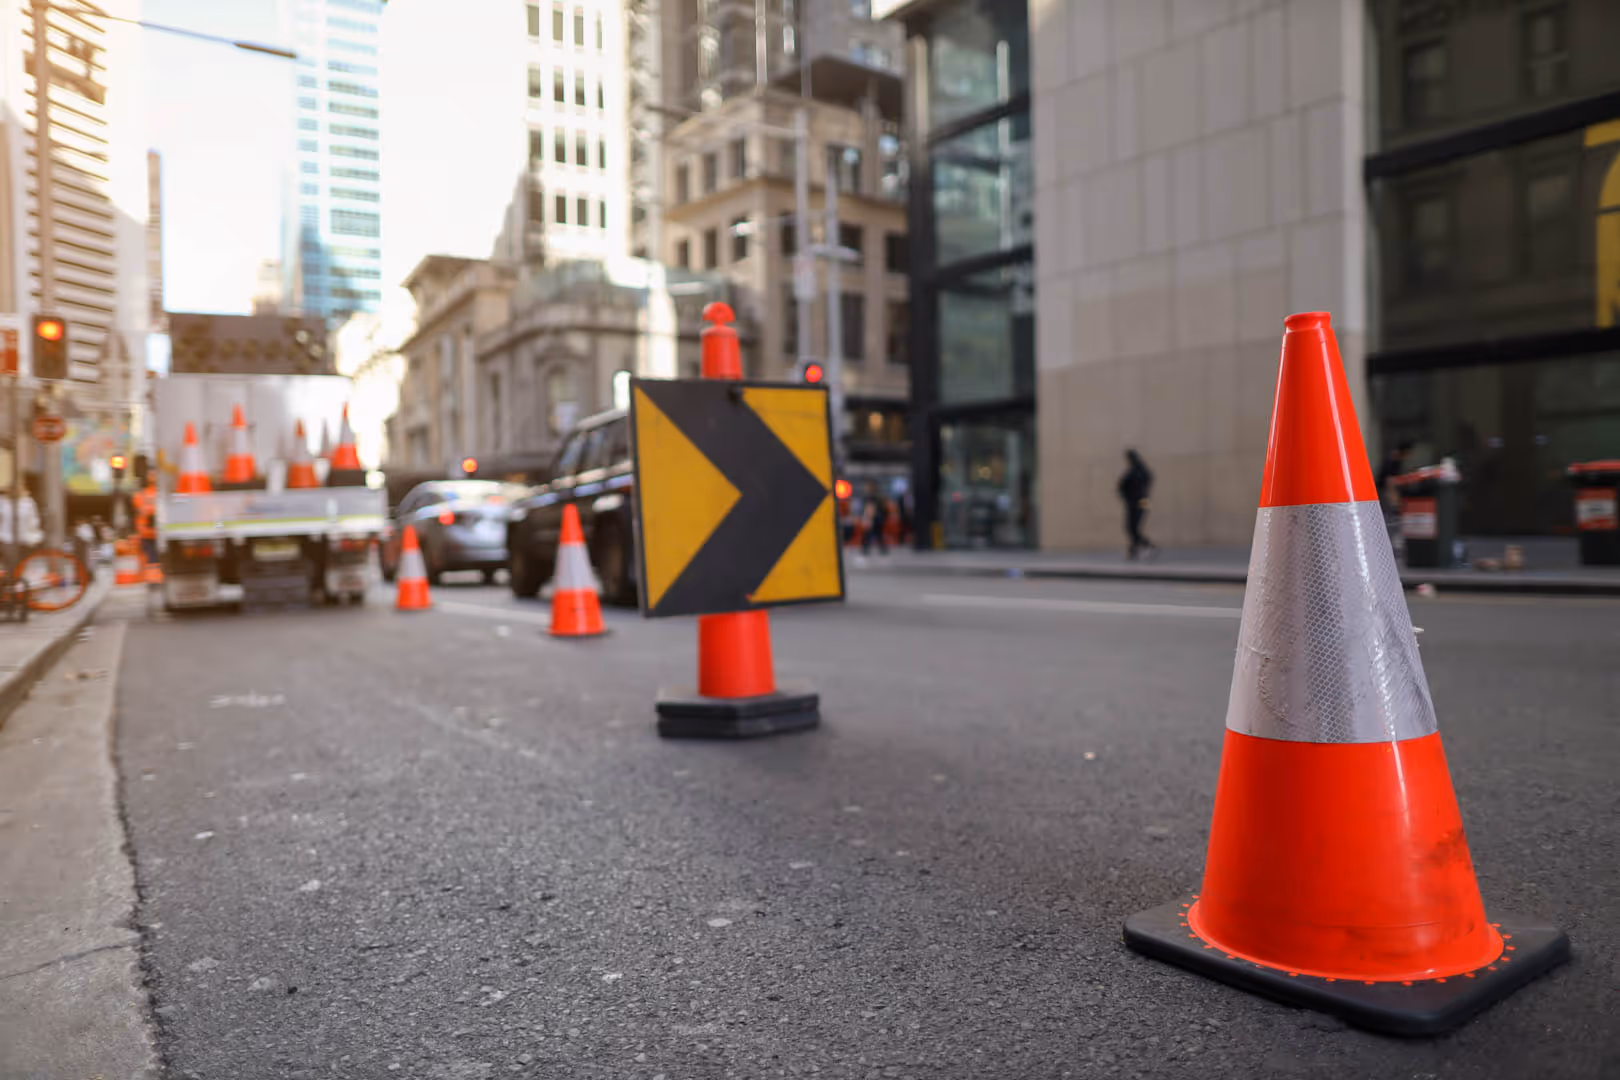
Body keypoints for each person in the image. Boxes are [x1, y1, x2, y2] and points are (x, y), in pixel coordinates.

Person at [1118, 449, 1156, 560]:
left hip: (1137, 502)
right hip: (1138, 502)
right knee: (1132, 527)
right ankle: (1135, 549)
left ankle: (1142, 546)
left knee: (1132, 527)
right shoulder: (1140, 471)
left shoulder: (1137, 471)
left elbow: (1123, 487)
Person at [861, 481, 889, 556]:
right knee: (869, 534)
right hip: (872, 518)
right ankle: (866, 548)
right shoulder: (870, 497)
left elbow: (882, 508)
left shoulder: (875, 497)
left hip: (876, 518)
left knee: (877, 534)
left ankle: (881, 548)